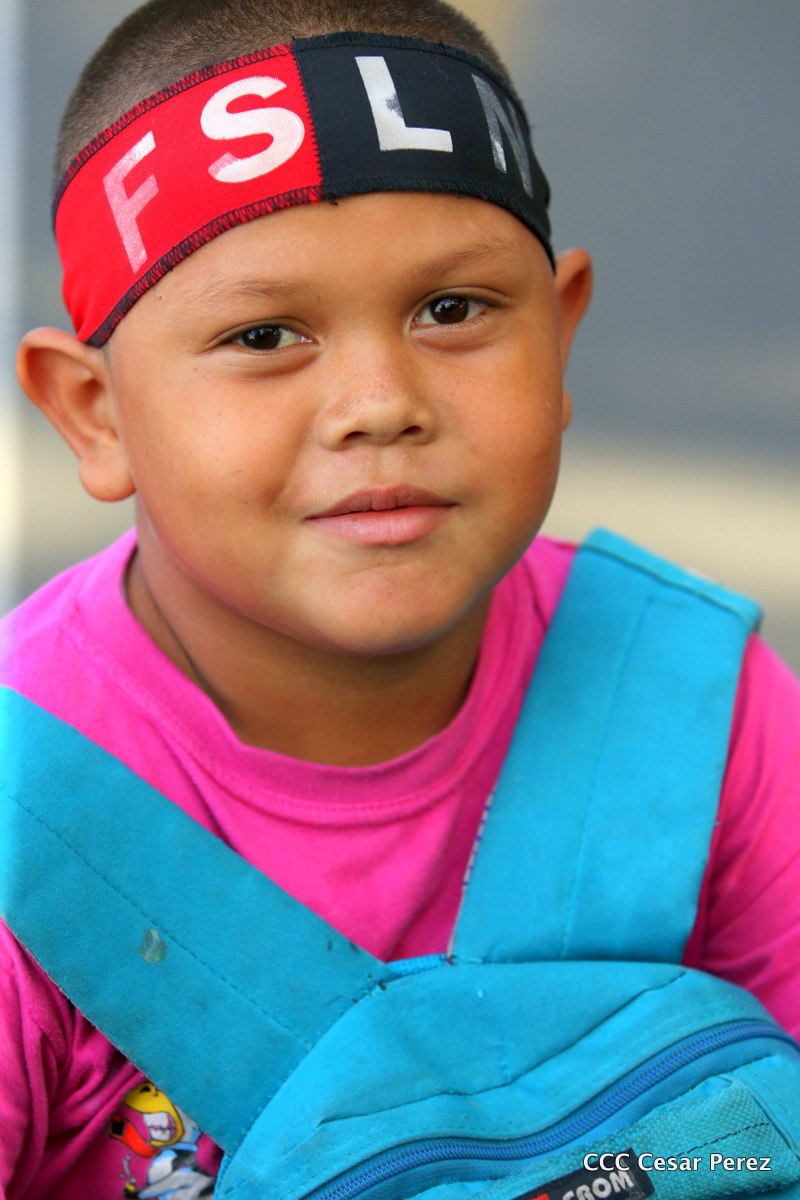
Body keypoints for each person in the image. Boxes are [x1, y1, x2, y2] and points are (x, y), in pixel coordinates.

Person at [1, 0, 799, 1195]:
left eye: (451, 311)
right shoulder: (30, 818)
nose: (380, 402)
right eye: (265, 334)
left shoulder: (695, 704)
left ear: (559, 336)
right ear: (93, 413)